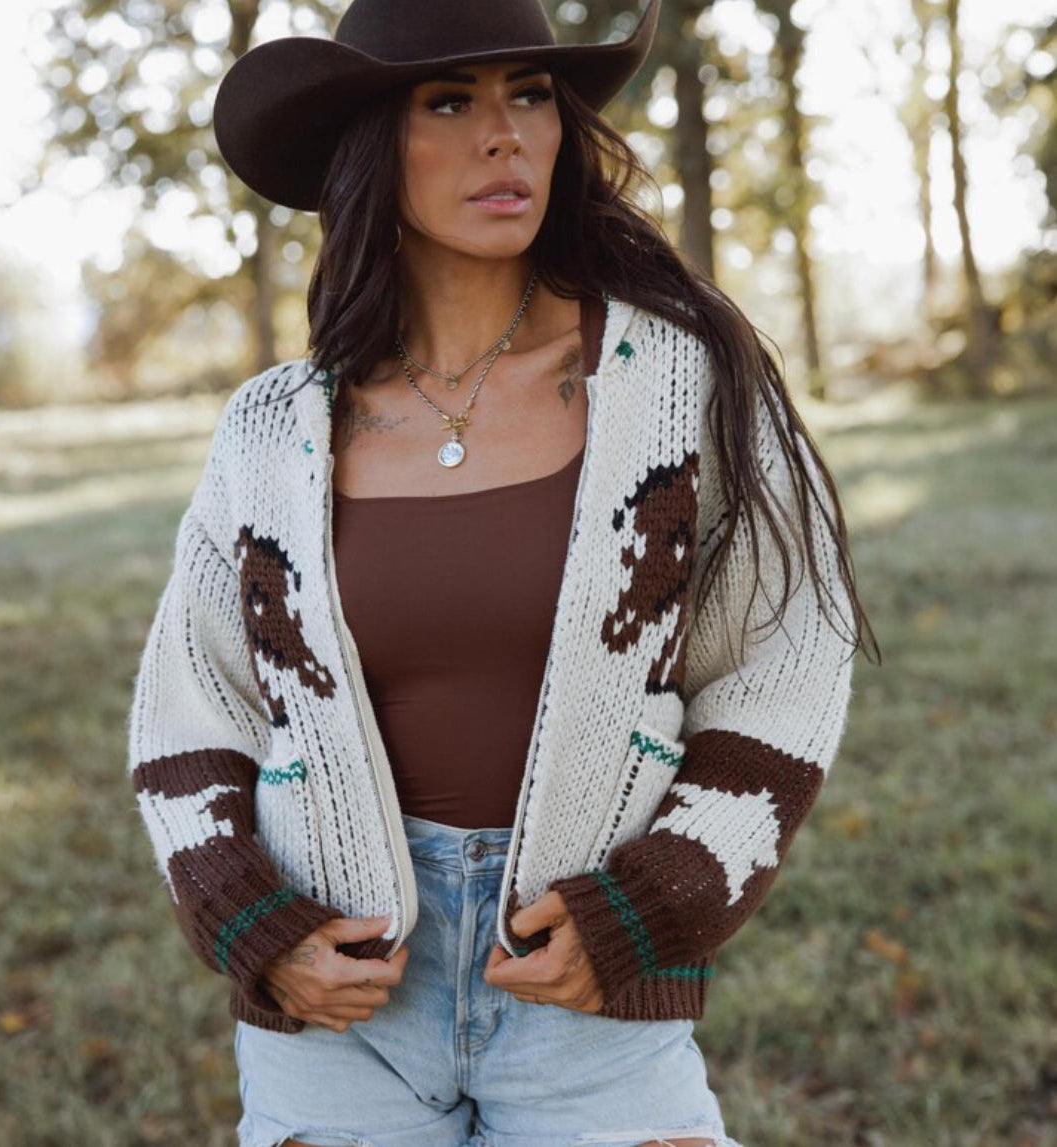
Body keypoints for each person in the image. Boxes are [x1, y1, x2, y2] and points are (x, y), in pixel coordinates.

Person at [126, 1, 879, 1144]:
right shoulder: (271, 431)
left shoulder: (677, 379)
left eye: (529, 94)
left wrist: (654, 903)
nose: (505, 135)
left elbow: (783, 661)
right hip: (343, 1007)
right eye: (449, 101)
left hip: (589, 981)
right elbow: (195, 708)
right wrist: (255, 929)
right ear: (371, 146)